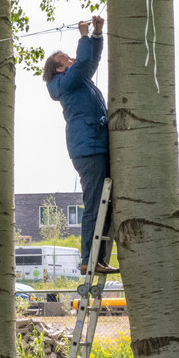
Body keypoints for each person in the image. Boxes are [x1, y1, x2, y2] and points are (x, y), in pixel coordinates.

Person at [44, 15, 117, 274]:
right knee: (95, 203)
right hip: (88, 148)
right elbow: (84, 60)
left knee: (105, 204)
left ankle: (98, 258)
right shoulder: (64, 83)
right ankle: (88, 258)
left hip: (95, 143)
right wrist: (83, 36)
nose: (72, 59)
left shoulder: (77, 80)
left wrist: (96, 35)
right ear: (58, 67)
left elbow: (90, 60)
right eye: (66, 58)